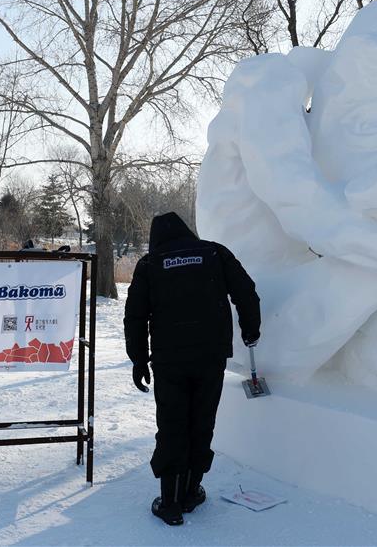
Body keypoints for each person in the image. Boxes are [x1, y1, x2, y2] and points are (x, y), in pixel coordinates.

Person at [124, 211, 261, 526]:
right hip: (210, 355)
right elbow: (246, 291)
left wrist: (139, 359)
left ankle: (170, 501)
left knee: (173, 423)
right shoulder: (214, 252)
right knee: (202, 420)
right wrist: (250, 329)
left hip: (169, 359)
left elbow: (135, 315)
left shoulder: (150, 264)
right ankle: (191, 490)